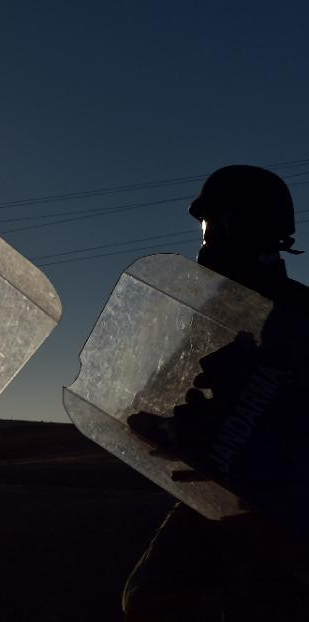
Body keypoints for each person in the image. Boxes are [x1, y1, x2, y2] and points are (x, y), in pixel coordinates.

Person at [122, 165, 309, 621]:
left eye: (209, 226)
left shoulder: (297, 316)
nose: (204, 242)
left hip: (282, 514)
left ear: (234, 225)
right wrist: (168, 426)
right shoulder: (211, 313)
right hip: (221, 492)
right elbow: (169, 398)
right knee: (150, 598)